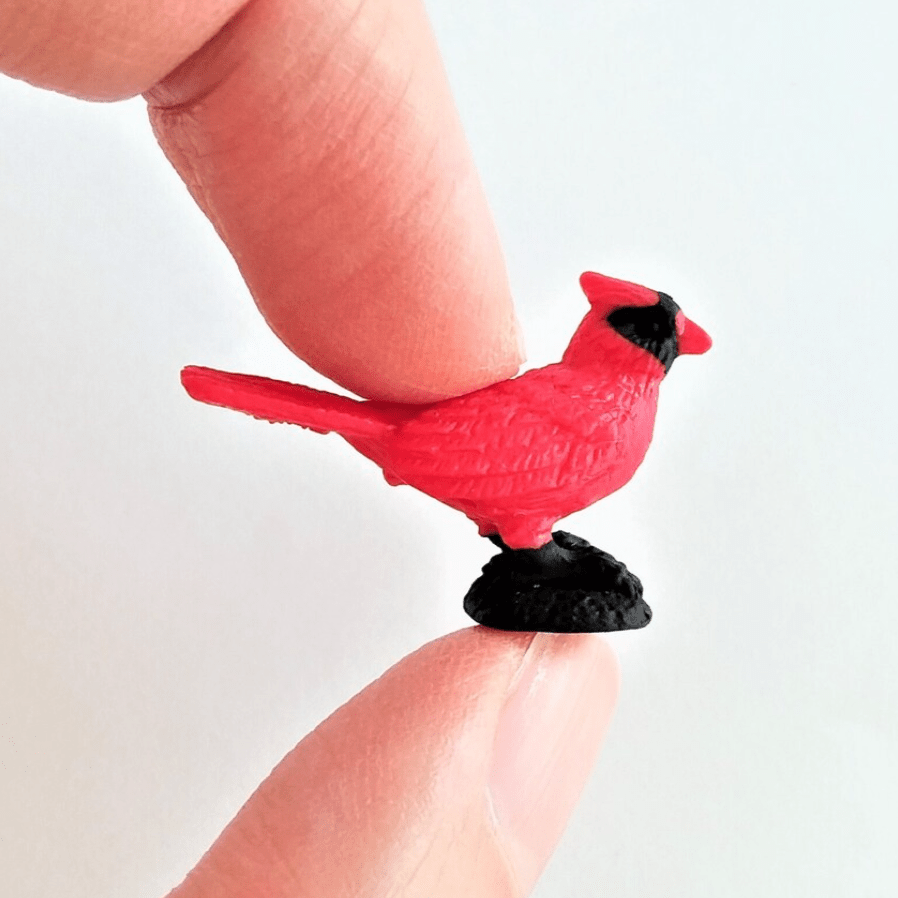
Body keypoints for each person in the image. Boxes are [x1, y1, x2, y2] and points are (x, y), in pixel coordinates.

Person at [0, 1, 620, 894]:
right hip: (479, 482)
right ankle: (529, 548)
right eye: (654, 338)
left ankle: (530, 548)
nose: (662, 352)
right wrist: (493, 508)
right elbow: (501, 457)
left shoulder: (606, 406)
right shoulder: (597, 414)